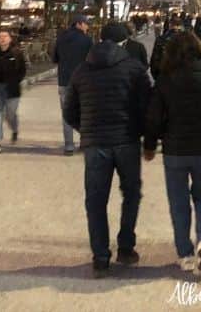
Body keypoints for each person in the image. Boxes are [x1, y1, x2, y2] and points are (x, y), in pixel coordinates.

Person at [63, 22, 152, 277]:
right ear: (124, 42)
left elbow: (69, 111)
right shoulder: (134, 69)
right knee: (131, 194)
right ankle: (125, 247)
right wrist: (140, 131)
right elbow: (147, 105)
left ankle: (100, 257)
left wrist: (87, 129)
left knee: (95, 200)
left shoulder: (81, 70)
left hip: (95, 145)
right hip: (126, 141)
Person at [144, 31, 201, 273]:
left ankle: (185, 254)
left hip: (174, 150)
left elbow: (153, 117)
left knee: (178, 202)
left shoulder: (165, 78)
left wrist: (149, 145)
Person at [53, 14, 93, 156]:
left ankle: (69, 145)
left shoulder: (61, 38)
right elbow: (92, 60)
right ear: (79, 24)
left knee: (67, 114)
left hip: (64, 81)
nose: (87, 27)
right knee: (85, 112)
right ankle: (84, 142)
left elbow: (55, 58)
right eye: (86, 24)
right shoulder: (87, 40)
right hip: (83, 81)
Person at [0, 29, 27, 155]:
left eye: (5, 36)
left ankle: (14, 129)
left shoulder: (17, 52)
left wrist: (15, 81)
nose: (2, 38)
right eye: (0, 36)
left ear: (10, 38)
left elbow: (22, 71)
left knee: (10, 115)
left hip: (11, 90)